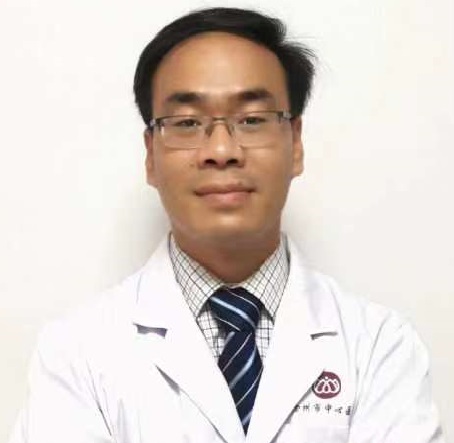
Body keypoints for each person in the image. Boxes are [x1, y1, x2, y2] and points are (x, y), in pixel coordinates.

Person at [9, 7, 445, 443]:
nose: (221, 150)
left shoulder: (379, 346)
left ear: (295, 144)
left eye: (252, 120)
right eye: (187, 123)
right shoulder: (77, 352)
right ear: (150, 155)